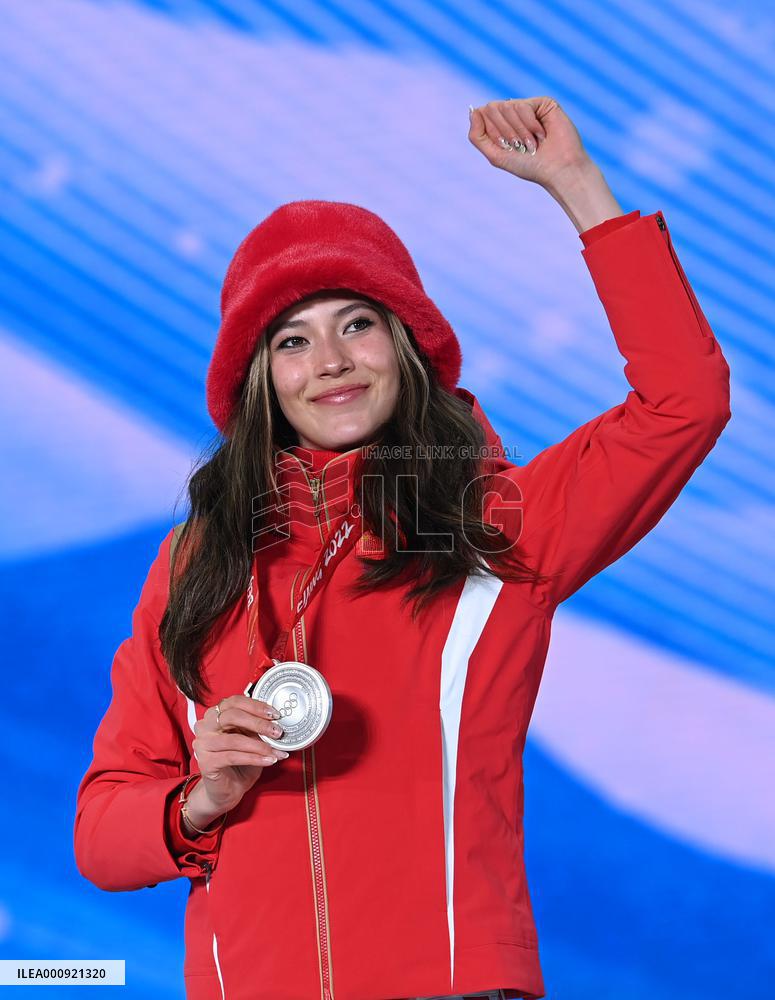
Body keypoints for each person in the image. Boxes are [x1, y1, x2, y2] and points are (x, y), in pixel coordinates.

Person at [74, 97, 731, 1000]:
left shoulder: (494, 525)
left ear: (405, 344)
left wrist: (577, 187)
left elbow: (683, 402)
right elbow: (103, 834)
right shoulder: (198, 564)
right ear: (259, 378)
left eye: (357, 323)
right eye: (292, 342)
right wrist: (197, 802)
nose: (331, 360)